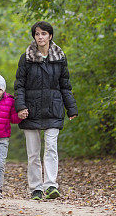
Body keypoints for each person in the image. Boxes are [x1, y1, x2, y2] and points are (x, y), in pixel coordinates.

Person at [14, 21, 78, 201]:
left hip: (53, 108)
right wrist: (21, 106)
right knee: (33, 153)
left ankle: (50, 185)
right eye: (37, 34)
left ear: (50, 36)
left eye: (44, 33)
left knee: (51, 148)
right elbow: (19, 86)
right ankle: (36, 188)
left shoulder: (60, 58)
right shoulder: (25, 58)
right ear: (34, 37)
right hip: (30, 110)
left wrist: (71, 107)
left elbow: (65, 86)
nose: (40, 37)